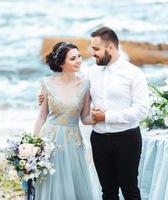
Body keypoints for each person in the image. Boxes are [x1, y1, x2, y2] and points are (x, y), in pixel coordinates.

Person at [39, 27, 150, 200]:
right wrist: (45, 98)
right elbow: (68, 89)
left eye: (96, 49)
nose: (91, 53)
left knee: (130, 191)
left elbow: (142, 110)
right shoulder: (91, 73)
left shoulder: (134, 74)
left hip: (127, 138)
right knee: (107, 191)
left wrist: (107, 117)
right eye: (91, 48)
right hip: (99, 139)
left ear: (110, 48)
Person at [34, 42, 96, 200]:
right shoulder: (47, 84)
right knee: (51, 184)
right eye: (73, 58)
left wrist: (102, 116)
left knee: (72, 184)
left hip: (72, 142)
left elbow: (85, 118)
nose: (78, 61)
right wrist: (34, 145)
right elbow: (42, 116)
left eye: (79, 56)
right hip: (49, 139)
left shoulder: (85, 85)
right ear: (61, 63)